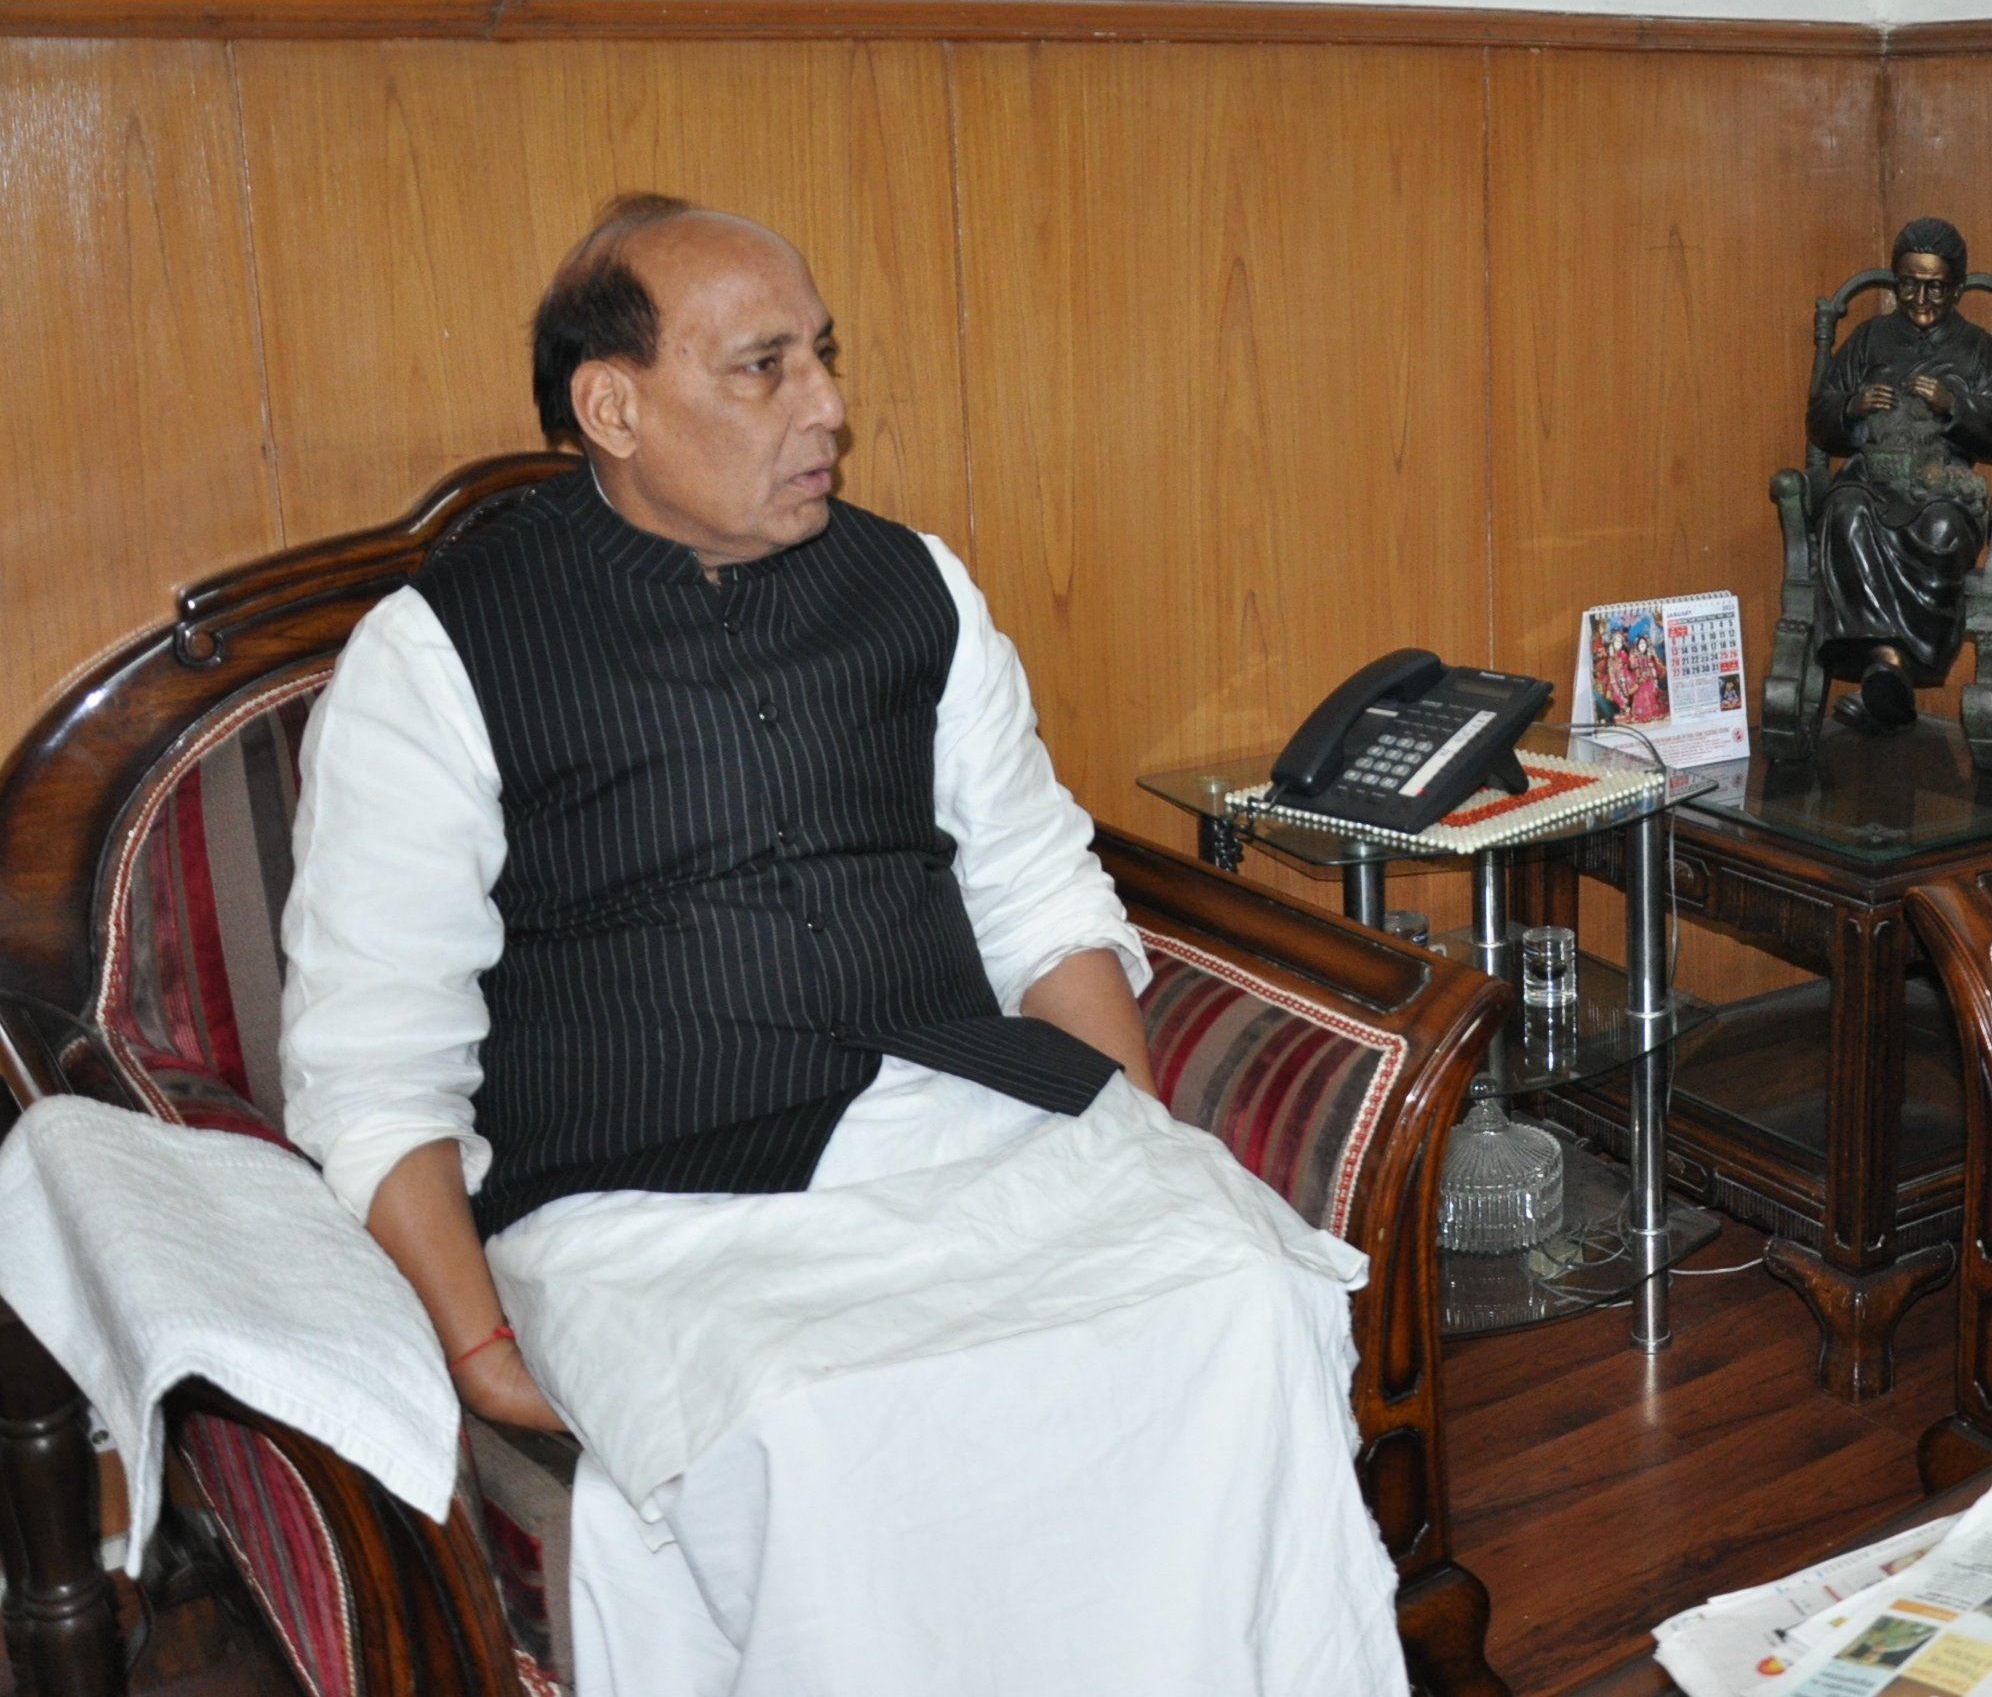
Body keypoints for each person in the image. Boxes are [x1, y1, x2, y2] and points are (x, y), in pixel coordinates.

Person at [278, 195, 1403, 1695]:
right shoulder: (437, 653)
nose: (830, 407)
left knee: (1235, 1301)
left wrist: (1124, 1148)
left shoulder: (911, 583)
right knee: (811, 1422)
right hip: (644, 1189)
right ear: (613, 406)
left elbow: (1035, 893)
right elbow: (372, 1055)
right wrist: (482, 1348)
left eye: (824, 356)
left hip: (969, 1111)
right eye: (765, 368)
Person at [1806, 217, 1992, 732]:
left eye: (1935, 287)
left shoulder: (1979, 349)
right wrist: (1852, 406)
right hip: (1871, 479)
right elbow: (1819, 420)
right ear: (1895, 280)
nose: (1920, 298)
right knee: (1844, 514)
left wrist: (1957, 406)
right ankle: (1887, 668)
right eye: (1907, 284)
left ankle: (1894, 667)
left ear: (1958, 288)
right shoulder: (1869, 339)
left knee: (1944, 530)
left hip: (1941, 486)